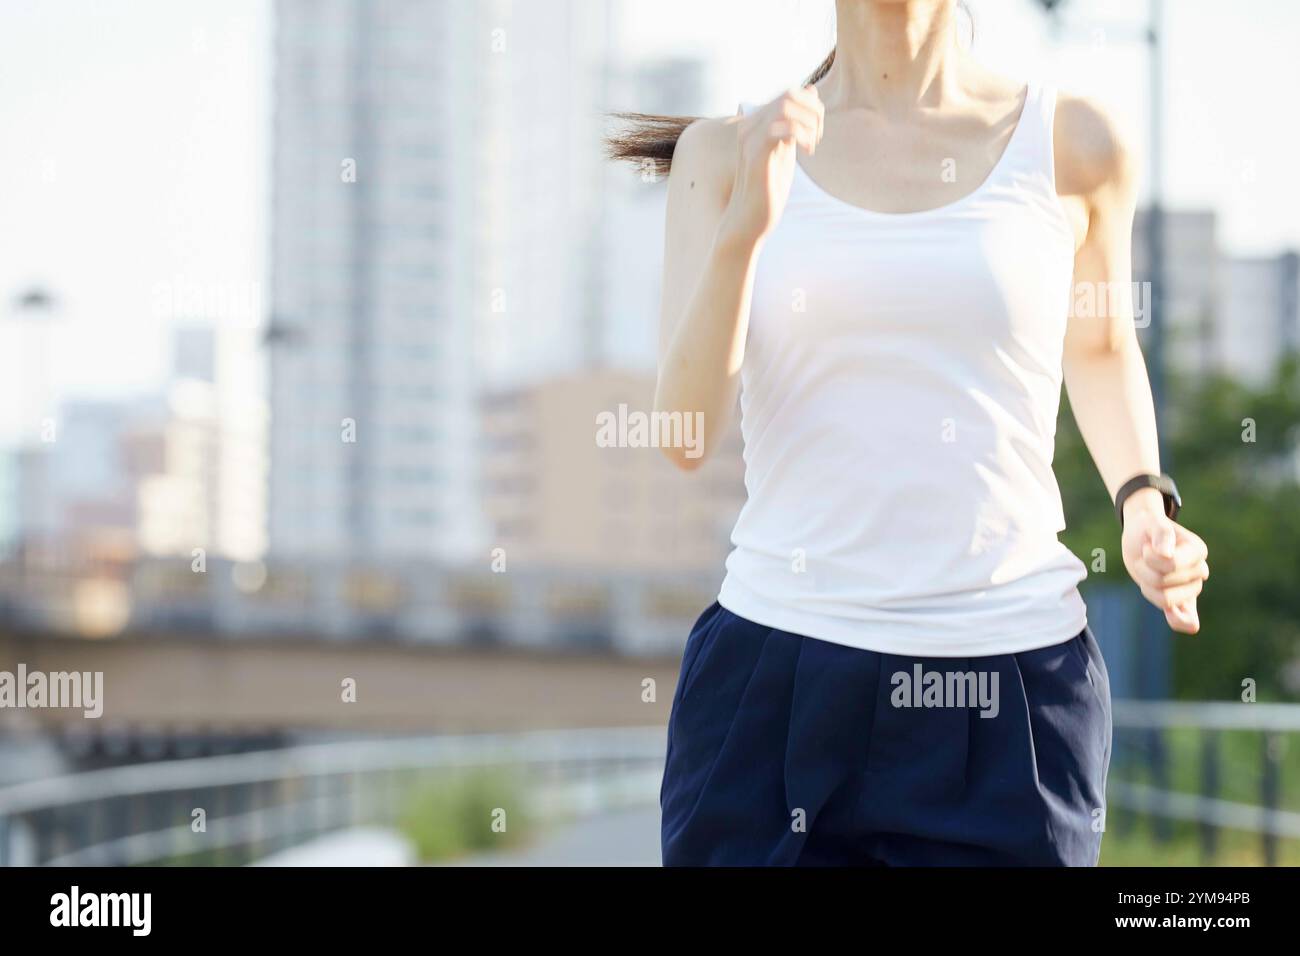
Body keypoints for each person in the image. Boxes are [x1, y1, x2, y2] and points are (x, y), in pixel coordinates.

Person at [607, 0, 1210, 865]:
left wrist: (1144, 502)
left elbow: (1105, 347)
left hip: (1012, 678)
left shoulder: (1075, 141)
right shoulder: (725, 151)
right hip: (777, 675)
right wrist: (746, 229)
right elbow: (682, 431)